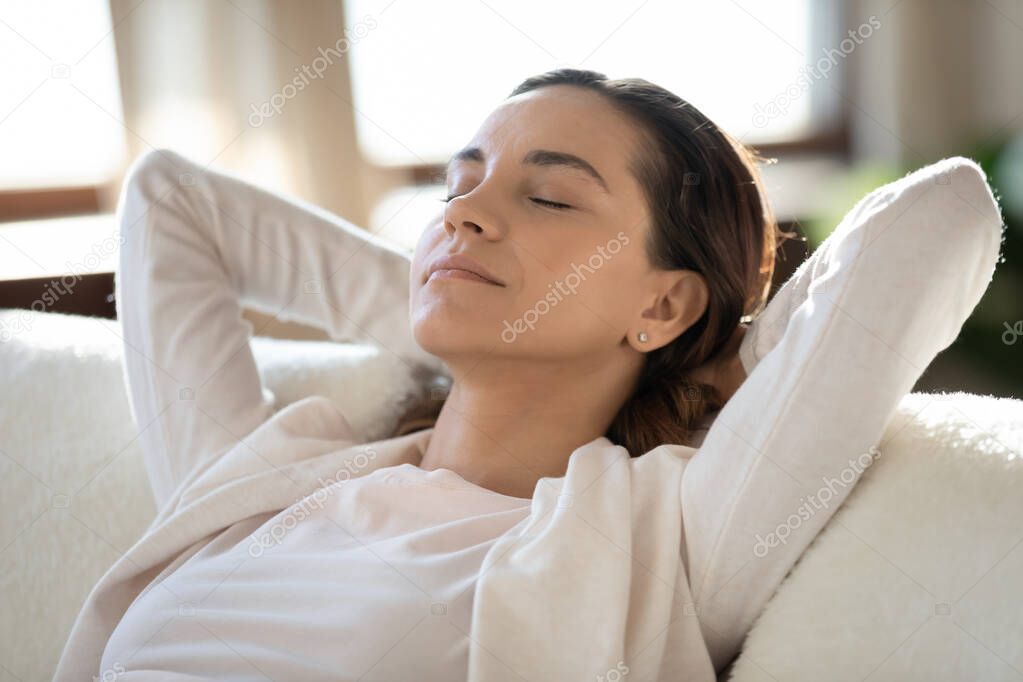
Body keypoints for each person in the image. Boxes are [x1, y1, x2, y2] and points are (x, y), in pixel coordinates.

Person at [54, 68, 1003, 681]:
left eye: (547, 194)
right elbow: (172, 199)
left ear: (663, 305)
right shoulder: (269, 476)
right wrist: (457, 292)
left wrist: (711, 361)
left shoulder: (660, 541)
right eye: (457, 186)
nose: (463, 211)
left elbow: (942, 216)